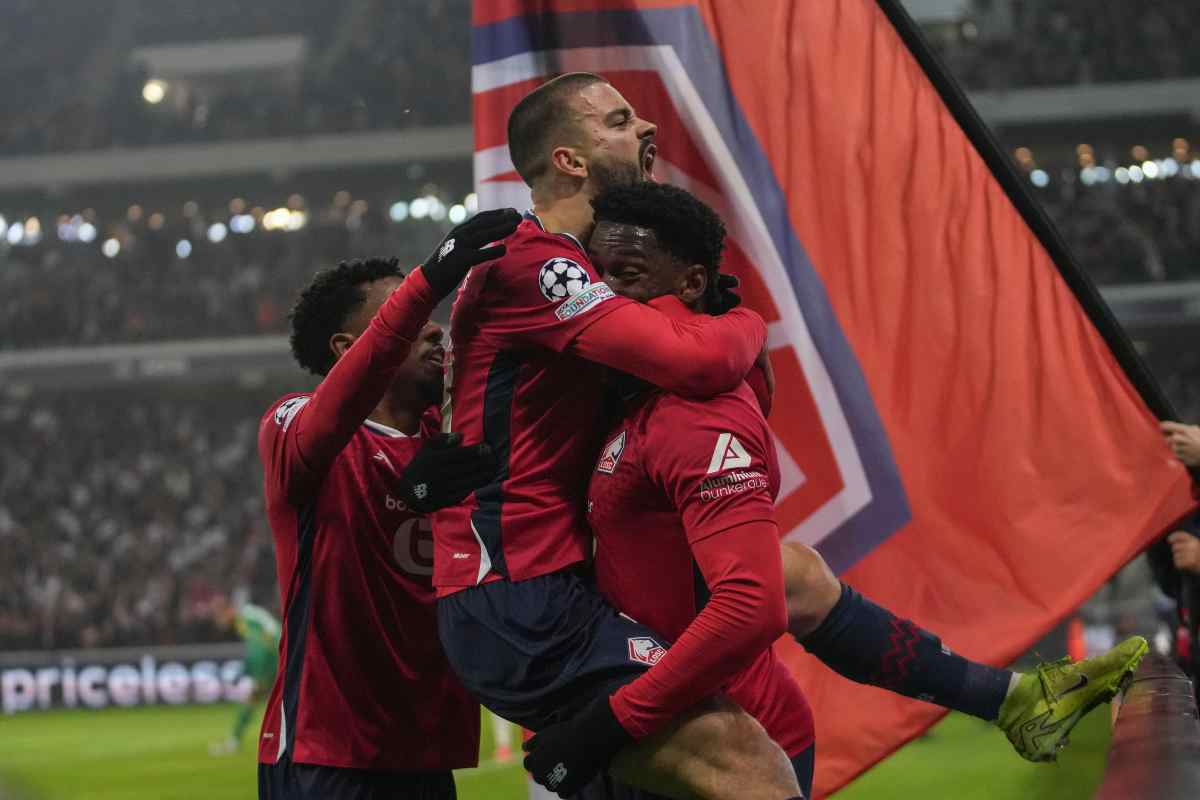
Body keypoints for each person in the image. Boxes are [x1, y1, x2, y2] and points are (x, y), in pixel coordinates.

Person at [545, 182, 1148, 799]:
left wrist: (614, 720)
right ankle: (1007, 698)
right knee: (798, 572)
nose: (603, 295)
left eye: (627, 275)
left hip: (729, 743)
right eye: (596, 275)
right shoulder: (632, 394)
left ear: (692, 283)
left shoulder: (696, 414)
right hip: (666, 724)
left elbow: (751, 605)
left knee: (791, 577)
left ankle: (1006, 697)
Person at [434, 72, 803, 800]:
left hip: (541, 584)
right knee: (748, 766)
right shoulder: (537, 264)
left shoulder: (570, 268)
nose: (645, 129)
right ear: (569, 160)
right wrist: (746, 322)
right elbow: (695, 364)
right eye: (618, 120)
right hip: (519, 593)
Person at [256, 208, 519, 800]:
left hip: (426, 752)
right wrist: (429, 280)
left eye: (429, 314)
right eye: (408, 315)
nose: (435, 329)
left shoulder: (452, 438)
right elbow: (332, 420)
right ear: (347, 347)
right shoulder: (292, 426)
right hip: (327, 753)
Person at [210, 598, 280, 756]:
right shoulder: (249, 615)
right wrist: (245, 671)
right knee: (258, 700)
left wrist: (259, 675)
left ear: (228, 610)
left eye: (220, 616)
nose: (220, 622)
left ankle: (235, 742)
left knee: (256, 700)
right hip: (279, 654)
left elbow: (259, 648)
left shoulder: (245, 620)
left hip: (276, 657)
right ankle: (236, 741)